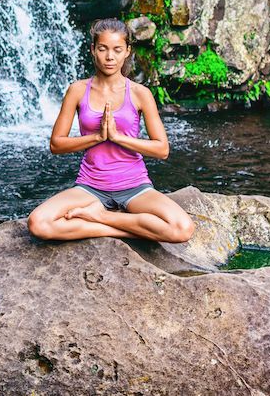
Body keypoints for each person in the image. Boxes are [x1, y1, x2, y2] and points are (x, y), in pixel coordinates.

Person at [27, 18, 196, 243]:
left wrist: (117, 137)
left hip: (135, 187)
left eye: (117, 50)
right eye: (103, 49)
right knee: (39, 223)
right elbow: (56, 144)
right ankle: (121, 227)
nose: (109, 57)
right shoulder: (77, 91)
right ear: (92, 50)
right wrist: (97, 137)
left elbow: (162, 149)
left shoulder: (139, 93)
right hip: (90, 187)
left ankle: (99, 217)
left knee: (182, 228)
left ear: (127, 51)